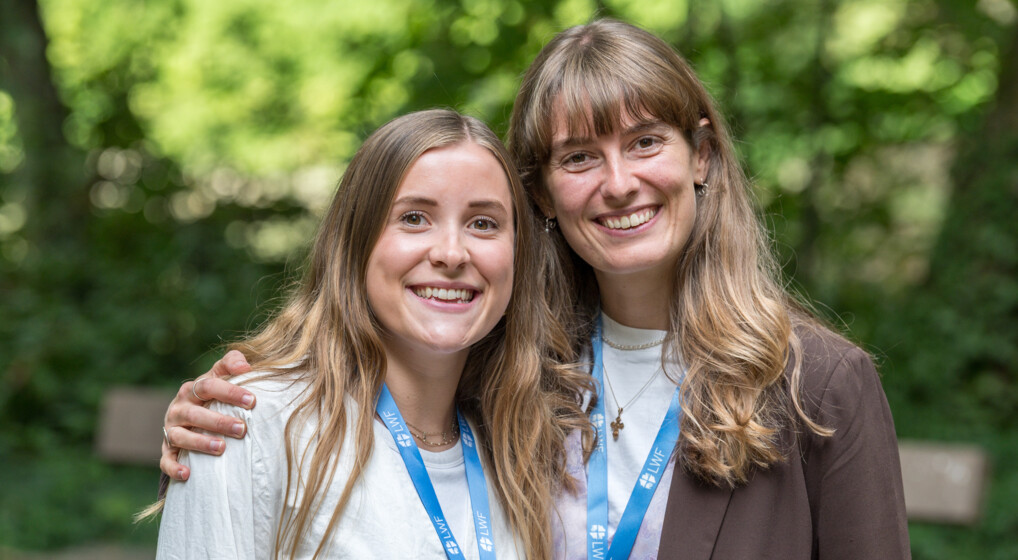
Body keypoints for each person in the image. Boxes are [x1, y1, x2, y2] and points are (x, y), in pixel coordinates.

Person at [159, 20, 910, 559]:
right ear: (543, 196)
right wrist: (226, 419)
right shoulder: (508, 374)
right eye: (580, 156)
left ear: (703, 156)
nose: (620, 184)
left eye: (646, 141)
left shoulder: (818, 385)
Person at [152, 109, 591, 559]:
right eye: (415, 218)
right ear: (356, 243)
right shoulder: (250, 422)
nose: (452, 253)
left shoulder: (523, 456)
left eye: (483, 223)